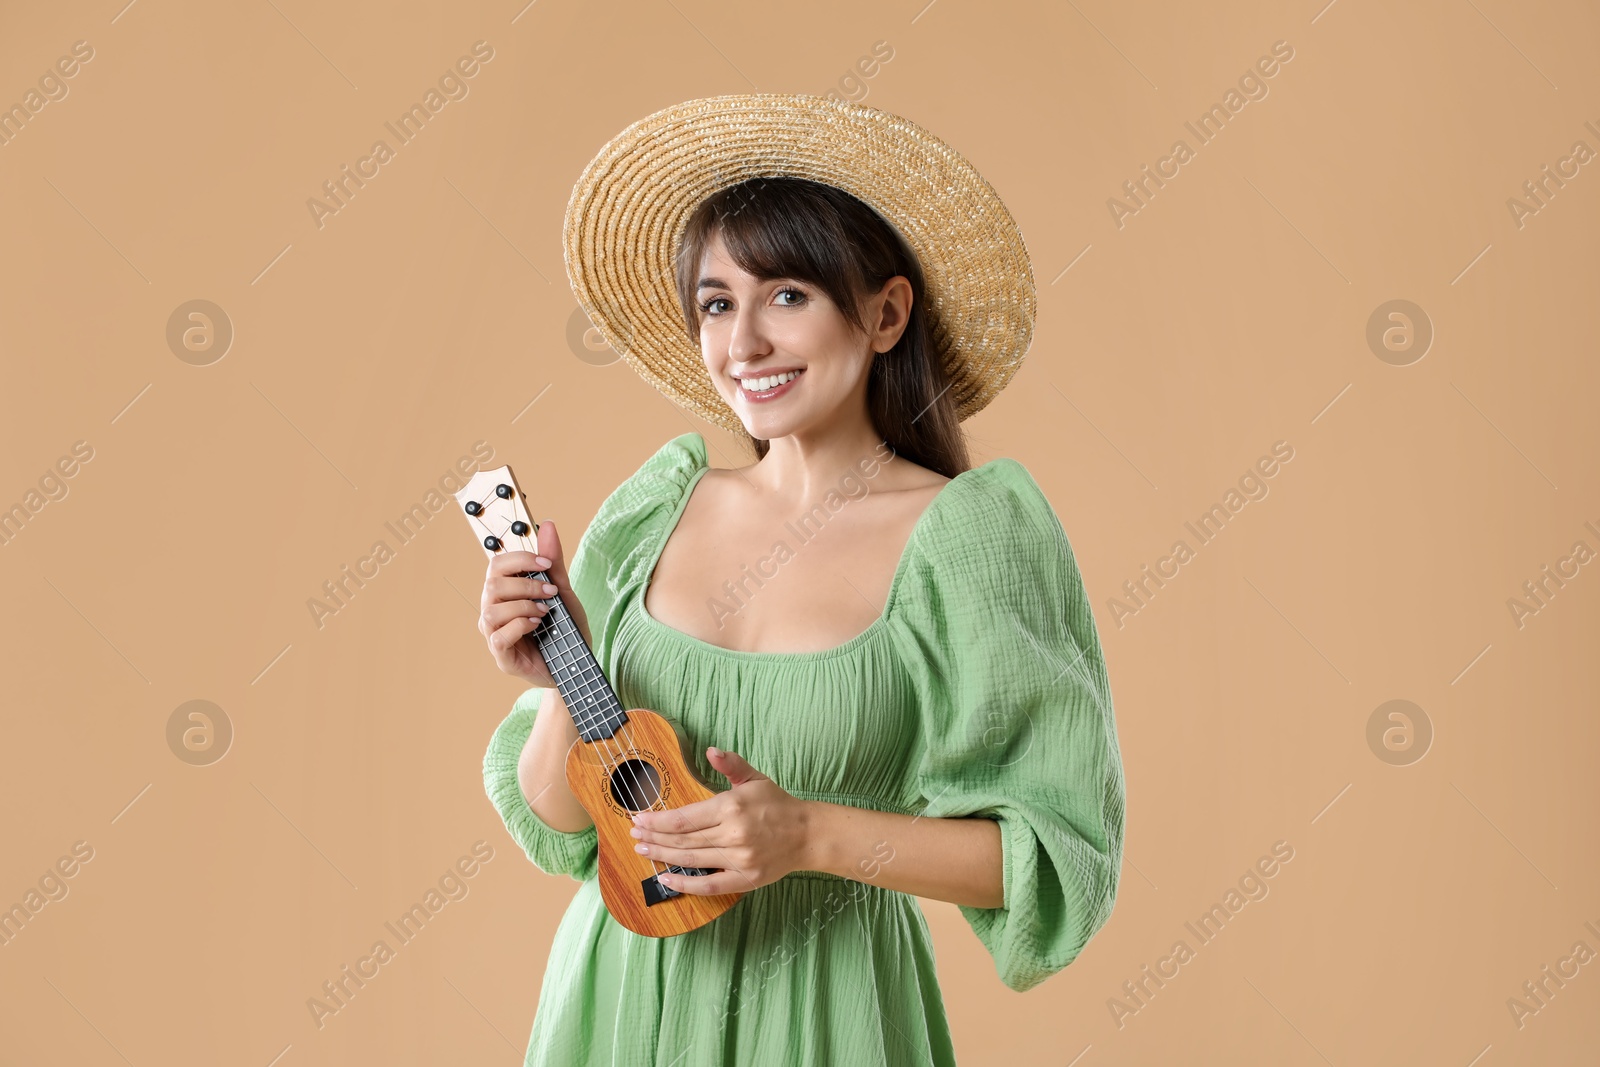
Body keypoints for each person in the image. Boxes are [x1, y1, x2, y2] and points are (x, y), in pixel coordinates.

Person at [477, 93, 1125, 1066]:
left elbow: (1049, 854)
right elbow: (567, 818)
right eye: (715, 302)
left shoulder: (968, 538)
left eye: (786, 294)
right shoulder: (653, 511)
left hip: (827, 1015)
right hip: (614, 1009)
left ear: (884, 311)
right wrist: (564, 670)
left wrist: (808, 833)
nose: (743, 345)